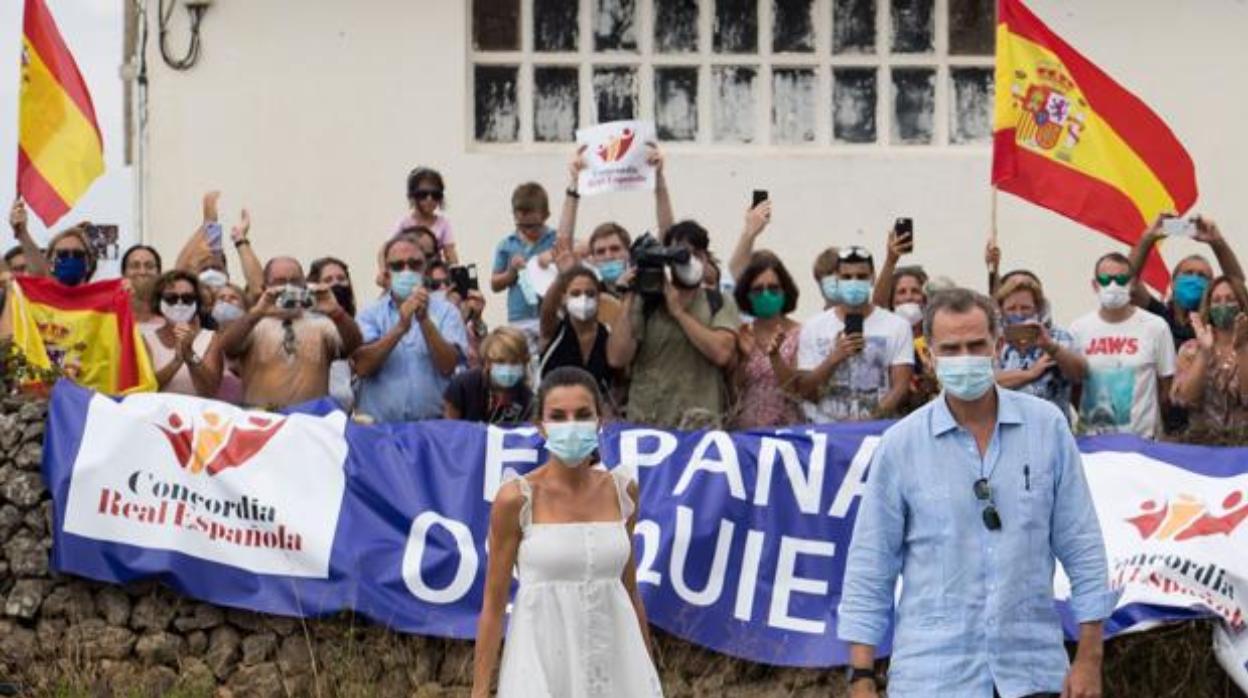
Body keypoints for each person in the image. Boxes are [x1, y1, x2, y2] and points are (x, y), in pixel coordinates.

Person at [839, 288, 1113, 698]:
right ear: (929, 356)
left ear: (997, 346)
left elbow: (1083, 545)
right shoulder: (901, 445)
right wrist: (861, 677)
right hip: (932, 677)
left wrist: (1089, 659)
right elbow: (870, 566)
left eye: (975, 345)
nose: (964, 357)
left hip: (1033, 672)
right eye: (950, 348)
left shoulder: (1047, 427)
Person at [471, 366, 661, 698]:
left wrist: (647, 674)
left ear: (600, 420)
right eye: (558, 416)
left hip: (617, 667)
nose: (571, 425)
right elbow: (493, 604)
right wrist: (479, 691)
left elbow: (629, 592)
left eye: (583, 414)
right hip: (541, 667)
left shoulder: (623, 491)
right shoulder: (516, 498)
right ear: (540, 426)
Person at [607, 221, 740, 429]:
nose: (689, 261)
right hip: (648, 425)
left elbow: (722, 352)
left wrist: (678, 313)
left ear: (706, 259)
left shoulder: (719, 302)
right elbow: (617, 357)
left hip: (699, 425)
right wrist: (629, 297)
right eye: (680, 254)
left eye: (695, 254)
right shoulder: (646, 303)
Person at [218, 256, 363, 409]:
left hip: (309, 420)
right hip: (264, 422)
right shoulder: (253, 324)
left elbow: (353, 345)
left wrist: (336, 312)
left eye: (295, 281)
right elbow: (228, 347)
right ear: (265, 286)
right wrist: (257, 313)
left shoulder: (322, 324)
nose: (288, 287)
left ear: (304, 284)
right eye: (280, 282)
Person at [353, 238, 467, 422]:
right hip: (380, 430)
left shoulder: (447, 312)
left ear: (425, 270)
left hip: (431, 428)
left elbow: (448, 366)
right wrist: (400, 328)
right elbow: (362, 367)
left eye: (414, 264)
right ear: (387, 275)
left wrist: (425, 322)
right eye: (398, 266)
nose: (406, 271)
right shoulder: (369, 314)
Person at [795, 246, 913, 422]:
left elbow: (901, 386)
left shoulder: (897, 326)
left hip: (875, 430)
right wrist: (834, 358)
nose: (854, 282)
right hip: (826, 431)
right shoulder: (813, 327)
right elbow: (803, 389)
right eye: (847, 277)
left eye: (861, 277)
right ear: (837, 280)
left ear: (872, 278)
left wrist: (867, 421)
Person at [1070, 252, 1176, 438]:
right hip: (1092, 443)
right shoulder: (1078, 329)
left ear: (1133, 283)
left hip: (1142, 444)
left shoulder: (1156, 327)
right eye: (1105, 279)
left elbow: (1166, 389)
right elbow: (1073, 387)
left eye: (1121, 279)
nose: (1113, 285)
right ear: (1095, 285)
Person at [1128, 214, 1244, 349]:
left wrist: (1217, 242)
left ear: (1210, 288)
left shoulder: (1214, 321)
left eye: (1202, 276)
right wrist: (1147, 239)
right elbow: (1128, 284)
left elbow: (1237, 286)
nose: (1194, 279)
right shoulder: (1159, 315)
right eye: (1188, 273)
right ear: (1173, 283)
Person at [994, 273, 1085, 420]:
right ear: (1002, 310)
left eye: (1025, 308)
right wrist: (1030, 374)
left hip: (1051, 432)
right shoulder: (994, 341)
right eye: (1011, 309)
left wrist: (1050, 346)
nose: (1019, 314)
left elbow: (1079, 374)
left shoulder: (1057, 337)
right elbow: (986, 383)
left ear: (1037, 308)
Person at [491, 182, 570, 349]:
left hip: (552, 314)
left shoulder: (555, 239)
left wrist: (554, 258)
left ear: (546, 215)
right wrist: (511, 272)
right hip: (520, 316)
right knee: (524, 363)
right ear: (514, 216)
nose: (527, 231)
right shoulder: (507, 245)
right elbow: (495, 284)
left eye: (533, 226)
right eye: (521, 225)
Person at [731, 251, 803, 428]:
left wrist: (775, 357)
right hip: (746, 436)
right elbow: (732, 393)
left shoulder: (801, 334)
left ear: (785, 291)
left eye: (773, 288)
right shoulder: (741, 334)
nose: (766, 294)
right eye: (758, 289)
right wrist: (743, 358)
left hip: (788, 435)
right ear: (746, 295)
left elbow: (797, 390)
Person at [1171, 276, 1248, 433]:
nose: (1223, 305)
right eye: (1216, 300)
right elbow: (1185, 400)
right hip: (1202, 446)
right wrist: (1205, 353)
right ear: (1209, 306)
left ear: (1242, 304)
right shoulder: (1190, 349)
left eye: (1230, 299)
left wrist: (1241, 350)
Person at [538, 266, 616, 411]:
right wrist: (562, 276)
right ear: (564, 298)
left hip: (597, 414)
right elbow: (547, 310)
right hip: (555, 410)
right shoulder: (553, 330)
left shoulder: (608, 335)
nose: (583, 299)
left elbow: (619, 382)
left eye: (590, 293)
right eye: (575, 293)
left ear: (599, 298)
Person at [147, 271, 224, 397]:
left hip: (196, 415)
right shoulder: (147, 339)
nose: (179, 303)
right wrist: (176, 361)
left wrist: (190, 354)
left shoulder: (211, 338)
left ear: (197, 302)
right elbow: (146, 389)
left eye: (187, 299)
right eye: (171, 298)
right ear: (158, 301)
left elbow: (210, 391)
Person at [444, 326, 533, 425]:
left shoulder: (527, 399)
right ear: (487, 363)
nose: (508, 368)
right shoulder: (464, 385)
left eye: (515, 362)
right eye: (500, 361)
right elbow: (449, 430)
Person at [310, 256, 360, 411]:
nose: (336, 284)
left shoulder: (358, 322)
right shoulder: (308, 321)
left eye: (341, 278)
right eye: (328, 279)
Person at [395, 167, 458, 264]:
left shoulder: (443, 224)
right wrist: (384, 271)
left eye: (435, 195)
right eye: (423, 194)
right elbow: (386, 250)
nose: (429, 199)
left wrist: (456, 274)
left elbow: (450, 254)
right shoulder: (404, 223)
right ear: (412, 196)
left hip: (433, 273)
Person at [121, 245, 164, 330]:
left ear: (159, 273)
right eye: (135, 266)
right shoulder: (110, 314)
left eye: (149, 266)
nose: (142, 272)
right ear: (124, 273)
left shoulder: (170, 311)